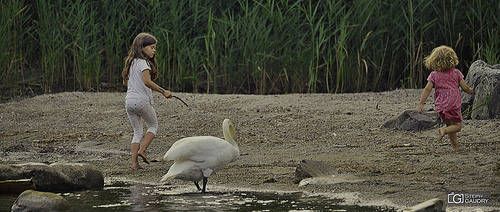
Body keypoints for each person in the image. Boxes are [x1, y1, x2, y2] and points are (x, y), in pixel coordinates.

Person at [122, 32, 173, 169]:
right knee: (153, 126)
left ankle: (134, 164)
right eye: (151, 47)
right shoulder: (143, 63)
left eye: (154, 47)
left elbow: (125, 83)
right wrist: (163, 91)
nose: (154, 50)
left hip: (129, 102)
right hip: (142, 101)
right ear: (142, 48)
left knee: (137, 132)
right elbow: (147, 82)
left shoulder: (130, 62)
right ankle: (142, 150)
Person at [418, 45, 473, 152]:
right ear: (452, 59)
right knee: (457, 126)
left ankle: (455, 147)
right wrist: (471, 90)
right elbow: (465, 88)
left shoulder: (434, 75)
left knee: (450, 125)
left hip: (441, 104)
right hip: (452, 103)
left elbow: (427, 89)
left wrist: (421, 103)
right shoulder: (456, 73)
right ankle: (444, 130)